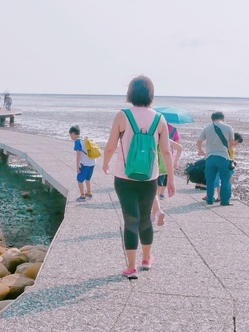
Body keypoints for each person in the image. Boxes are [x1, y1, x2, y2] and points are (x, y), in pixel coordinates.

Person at [102, 76, 177, 279]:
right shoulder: (159, 118)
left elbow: (110, 146)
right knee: (145, 218)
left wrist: (105, 162)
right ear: (151, 94)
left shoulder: (122, 115)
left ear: (130, 93)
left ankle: (131, 267)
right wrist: (170, 178)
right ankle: (146, 259)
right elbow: (166, 152)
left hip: (124, 177)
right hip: (149, 178)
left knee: (130, 219)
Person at [196, 111, 236, 206]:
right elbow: (231, 143)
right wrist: (229, 152)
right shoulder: (228, 128)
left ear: (212, 119)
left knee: (210, 179)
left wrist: (200, 150)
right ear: (223, 118)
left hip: (210, 157)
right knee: (225, 180)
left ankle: (210, 199)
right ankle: (225, 201)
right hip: (223, 157)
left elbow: (199, 141)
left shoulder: (207, 128)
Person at [151, 121, 183, 226]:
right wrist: (175, 161)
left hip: (153, 167)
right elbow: (180, 147)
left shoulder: (153, 138)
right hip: (165, 167)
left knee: (153, 192)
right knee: (158, 190)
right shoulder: (167, 139)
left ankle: (156, 212)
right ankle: (154, 212)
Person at [212, 132, 243, 201]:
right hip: (226, 166)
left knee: (219, 180)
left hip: (220, 164)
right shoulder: (229, 146)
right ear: (235, 140)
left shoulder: (225, 144)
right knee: (226, 181)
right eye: (237, 142)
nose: (237, 144)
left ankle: (219, 196)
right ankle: (225, 196)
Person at [69, 125, 96, 201]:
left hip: (85, 164)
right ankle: (89, 193)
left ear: (73, 133)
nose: (71, 137)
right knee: (88, 179)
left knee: (79, 180)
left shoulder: (77, 141)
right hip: (93, 162)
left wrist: (77, 167)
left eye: (70, 135)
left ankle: (82, 196)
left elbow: (78, 155)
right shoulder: (85, 139)